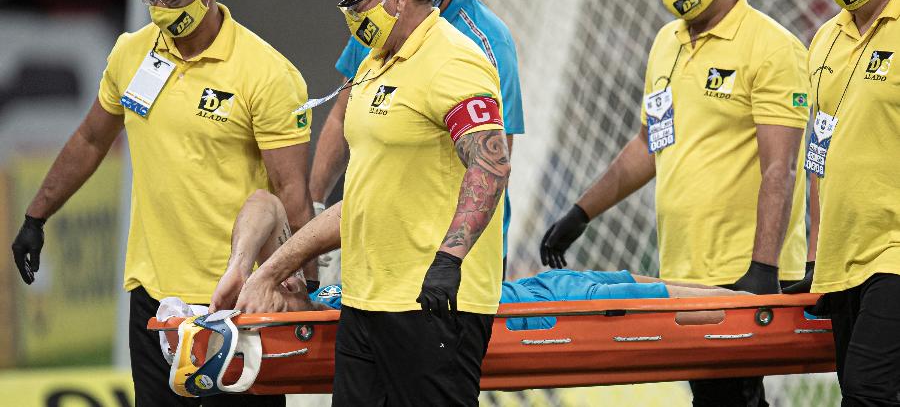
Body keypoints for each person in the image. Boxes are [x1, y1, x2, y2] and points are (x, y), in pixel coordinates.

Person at [9, 0, 316, 407]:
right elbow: (91, 139)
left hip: (234, 301)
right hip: (153, 300)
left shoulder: (268, 74)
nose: (159, 4)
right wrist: (36, 215)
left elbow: (291, 191)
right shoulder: (131, 53)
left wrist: (308, 289)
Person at [539, 0, 810, 407]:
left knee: (730, 399)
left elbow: (781, 167)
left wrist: (762, 269)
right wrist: (581, 213)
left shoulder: (772, 48)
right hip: (684, 266)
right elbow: (650, 145)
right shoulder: (667, 41)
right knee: (718, 400)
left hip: (740, 271)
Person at [233, 0, 509, 406]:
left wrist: (449, 261)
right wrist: (269, 273)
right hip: (365, 304)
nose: (348, 11)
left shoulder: (453, 61)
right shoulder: (373, 66)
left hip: (432, 306)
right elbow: (360, 201)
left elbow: (491, 166)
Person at [309, 0, 524, 278]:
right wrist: (311, 207)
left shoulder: (487, 41)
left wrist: (450, 255)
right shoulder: (376, 21)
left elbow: (493, 156)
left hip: (455, 259)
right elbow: (343, 115)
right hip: (381, 248)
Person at [212, 190, 736, 332]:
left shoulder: (308, 291)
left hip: (530, 290)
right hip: (541, 311)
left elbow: (264, 203)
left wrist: (249, 269)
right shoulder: (322, 321)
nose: (272, 300)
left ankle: (768, 304)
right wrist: (264, 288)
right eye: (270, 303)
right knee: (700, 308)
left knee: (630, 284)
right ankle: (773, 310)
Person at [790, 0, 900, 404]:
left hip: (894, 250)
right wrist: (817, 254)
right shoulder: (824, 40)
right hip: (842, 255)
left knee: (867, 389)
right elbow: (820, 146)